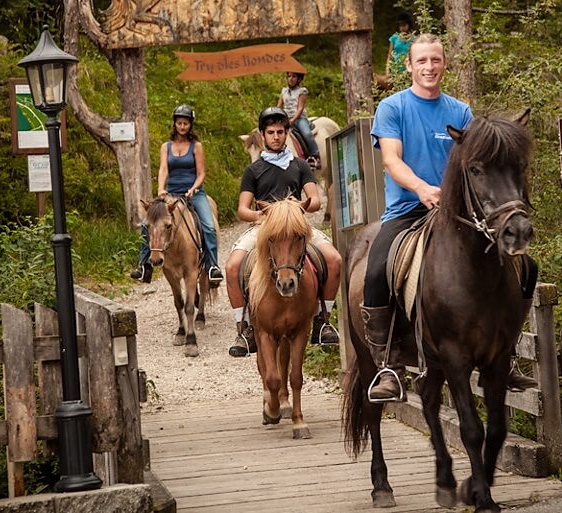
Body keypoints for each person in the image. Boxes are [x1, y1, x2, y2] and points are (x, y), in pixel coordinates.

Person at [362, 33, 537, 402]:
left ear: (445, 65)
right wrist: (423, 189)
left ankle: (506, 354)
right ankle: (388, 365)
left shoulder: (460, 112)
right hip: (407, 210)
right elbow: (392, 159)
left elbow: (482, 162)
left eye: (435, 60)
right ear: (408, 66)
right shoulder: (392, 108)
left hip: (460, 215)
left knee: (528, 266)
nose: (429, 67)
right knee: (376, 268)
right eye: (421, 61)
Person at [224, 106, 341, 356]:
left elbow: (315, 200)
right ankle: (244, 326)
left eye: (280, 132)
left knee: (334, 258)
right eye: (271, 132)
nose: (276, 137)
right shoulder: (253, 170)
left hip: (296, 224)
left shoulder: (299, 165)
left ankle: (323, 319)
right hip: (264, 227)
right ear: (263, 135)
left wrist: (295, 209)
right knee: (233, 266)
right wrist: (264, 215)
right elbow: (243, 209)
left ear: (286, 133)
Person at [130, 104, 223, 286]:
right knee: (145, 224)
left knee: (209, 226)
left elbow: (201, 173)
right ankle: (143, 266)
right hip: (171, 193)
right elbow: (164, 169)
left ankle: (212, 266)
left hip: (193, 193)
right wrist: (160, 188)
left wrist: (194, 188)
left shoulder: (197, 146)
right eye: (179, 123)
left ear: (190, 125)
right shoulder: (166, 146)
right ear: (175, 124)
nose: (182, 126)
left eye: (186, 123)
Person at [276, 69, 322, 169]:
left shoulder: (302, 91)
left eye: (294, 77)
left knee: (307, 134)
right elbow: (279, 106)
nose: (291, 79)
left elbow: (300, 108)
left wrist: (292, 120)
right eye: (289, 76)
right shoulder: (284, 91)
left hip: (299, 119)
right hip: (285, 119)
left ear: (299, 79)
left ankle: (316, 156)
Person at [385, 11, 417, 77]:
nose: (402, 28)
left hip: (409, 70)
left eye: (404, 25)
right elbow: (389, 55)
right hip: (395, 70)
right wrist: (387, 70)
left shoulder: (414, 39)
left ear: (409, 25)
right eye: (400, 25)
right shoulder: (394, 38)